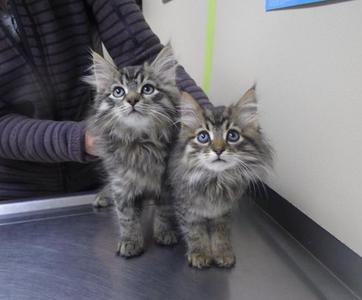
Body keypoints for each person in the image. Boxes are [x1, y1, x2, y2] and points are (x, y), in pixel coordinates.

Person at [0, 0, 209, 200]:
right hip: (13, 195)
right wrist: (83, 140)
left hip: (96, 179)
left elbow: (143, 52)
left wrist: (206, 124)